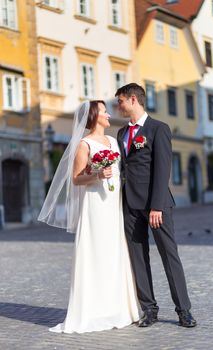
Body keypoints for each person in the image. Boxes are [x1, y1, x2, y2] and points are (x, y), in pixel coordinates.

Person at [38, 100, 139, 334]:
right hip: (94, 205)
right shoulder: (84, 144)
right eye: (104, 111)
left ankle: (119, 308)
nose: (108, 114)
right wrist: (96, 174)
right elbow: (76, 178)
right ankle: (92, 311)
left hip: (113, 205)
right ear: (94, 117)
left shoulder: (114, 141)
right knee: (95, 252)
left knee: (114, 252)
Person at [116, 83, 197, 328]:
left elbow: (163, 170)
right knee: (138, 257)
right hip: (130, 205)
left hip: (156, 205)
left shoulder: (158, 129)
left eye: (119, 101)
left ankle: (184, 311)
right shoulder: (121, 134)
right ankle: (149, 309)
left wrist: (157, 207)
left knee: (169, 256)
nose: (117, 106)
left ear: (132, 100)